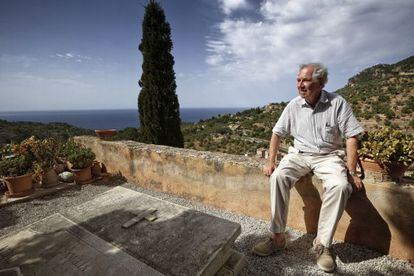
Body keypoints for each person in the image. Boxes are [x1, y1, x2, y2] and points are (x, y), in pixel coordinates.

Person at [252, 63, 364, 273]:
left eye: (306, 80)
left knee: (340, 186)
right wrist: (270, 162)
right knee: (278, 177)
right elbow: (277, 133)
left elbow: (351, 136)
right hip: (299, 155)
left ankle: (323, 244)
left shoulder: (337, 103)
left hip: (328, 157)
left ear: (321, 83)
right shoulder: (293, 105)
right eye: (298, 80)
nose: (300, 85)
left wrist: (352, 171)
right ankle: (277, 237)